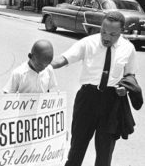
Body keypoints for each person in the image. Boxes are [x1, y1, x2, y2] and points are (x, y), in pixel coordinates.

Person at [51, 11, 138, 166]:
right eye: (103, 31)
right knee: (77, 146)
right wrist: (44, 66)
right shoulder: (88, 43)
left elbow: (130, 75)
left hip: (112, 102)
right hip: (87, 99)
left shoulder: (128, 48)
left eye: (112, 34)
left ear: (121, 32)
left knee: (105, 153)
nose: (106, 37)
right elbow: (64, 59)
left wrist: (125, 88)